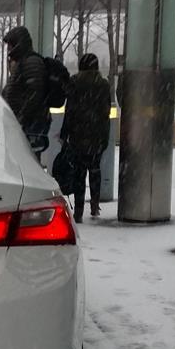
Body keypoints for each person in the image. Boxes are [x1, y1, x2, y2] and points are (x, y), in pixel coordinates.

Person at [60, 53, 111, 223]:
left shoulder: (75, 83)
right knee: (95, 170)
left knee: (79, 174)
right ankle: (95, 205)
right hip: (96, 136)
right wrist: (105, 137)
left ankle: (79, 210)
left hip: (78, 135)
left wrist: (64, 134)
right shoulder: (103, 85)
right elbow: (106, 114)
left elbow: (70, 111)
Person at [1, 26, 50, 160]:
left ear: (18, 44)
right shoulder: (23, 63)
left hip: (29, 128)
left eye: (10, 45)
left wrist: (21, 120)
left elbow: (34, 95)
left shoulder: (31, 62)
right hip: (24, 127)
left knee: (27, 164)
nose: (9, 49)